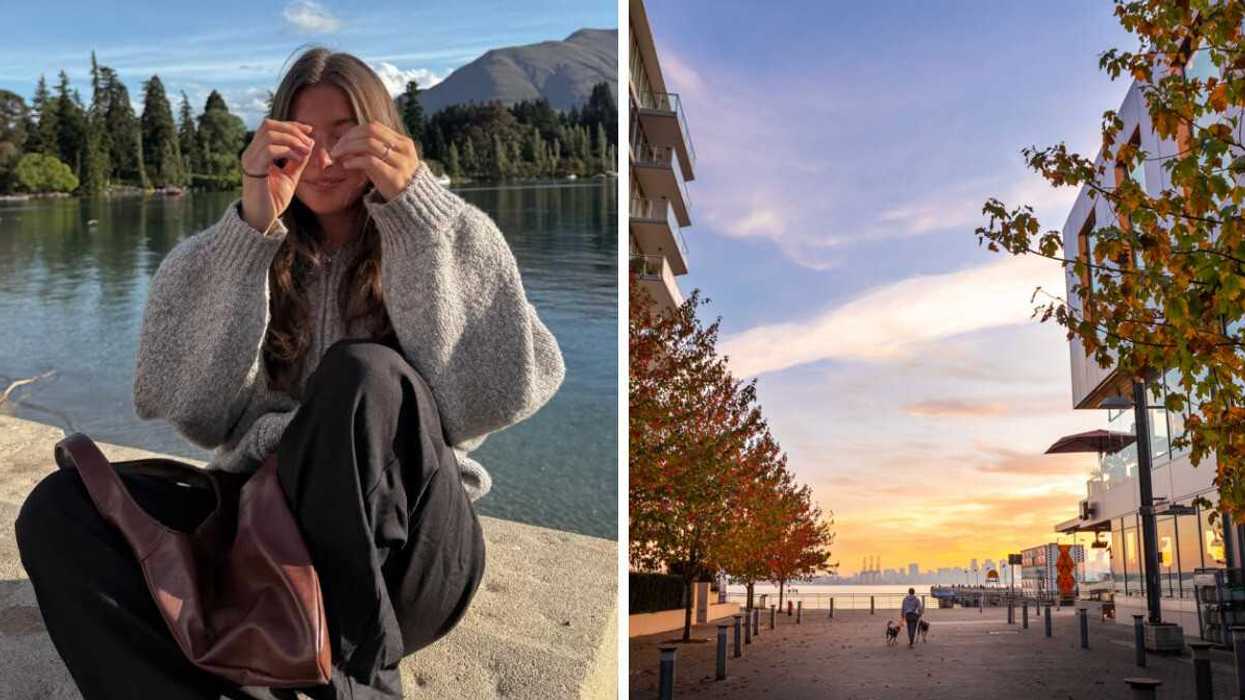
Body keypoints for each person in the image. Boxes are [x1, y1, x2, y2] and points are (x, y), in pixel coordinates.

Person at [15, 46, 564, 700]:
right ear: (272, 141)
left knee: (364, 374)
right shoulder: (218, 256)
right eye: (305, 139)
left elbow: (495, 398)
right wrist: (250, 233)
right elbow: (191, 410)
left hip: (405, 559)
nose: (325, 161)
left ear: (384, 137)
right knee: (60, 510)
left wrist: (419, 220)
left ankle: (358, 684)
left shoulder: (454, 236)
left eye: (345, 136)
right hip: (262, 531)